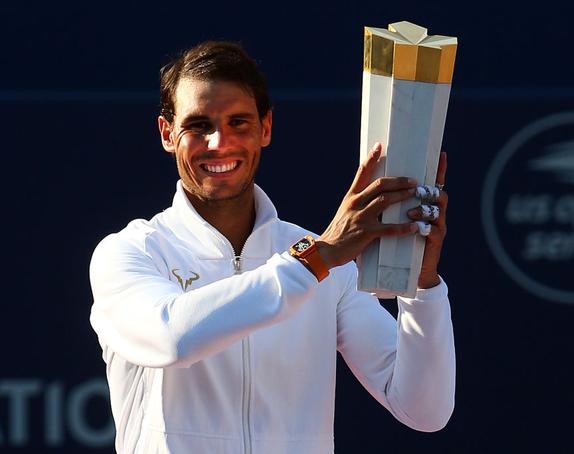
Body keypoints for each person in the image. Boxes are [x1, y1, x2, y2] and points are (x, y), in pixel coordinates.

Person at [89, 40, 455, 454]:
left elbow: (424, 410)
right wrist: (315, 260)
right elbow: (172, 337)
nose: (218, 143)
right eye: (198, 126)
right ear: (167, 133)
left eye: (238, 123)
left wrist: (423, 288)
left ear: (265, 128)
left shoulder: (324, 262)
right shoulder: (129, 252)